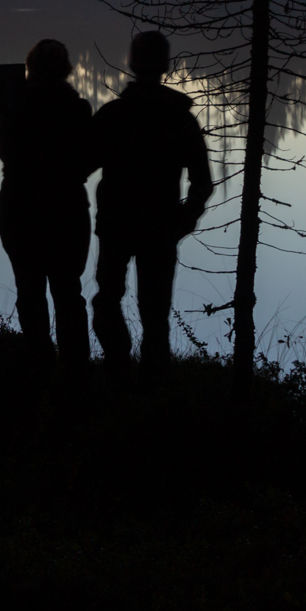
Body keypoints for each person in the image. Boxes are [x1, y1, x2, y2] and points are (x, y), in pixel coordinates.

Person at [89, 30, 213, 374]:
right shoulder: (181, 118)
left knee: (108, 299)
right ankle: (153, 382)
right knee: (155, 313)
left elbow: (80, 164)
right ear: (165, 65)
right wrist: (183, 221)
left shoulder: (113, 114)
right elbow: (202, 182)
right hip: (160, 226)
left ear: (132, 62)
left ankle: (118, 367)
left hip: (117, 223)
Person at [0, 39, 94, 373]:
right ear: (66, 70)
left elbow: (5, 153)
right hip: (67, 210)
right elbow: (88, 159)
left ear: (30, 68)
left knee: (29, 290)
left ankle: (40, 364)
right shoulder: (79, 109)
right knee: (68, 292)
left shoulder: (14, 107)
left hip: (19, 208)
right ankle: (75, 369)